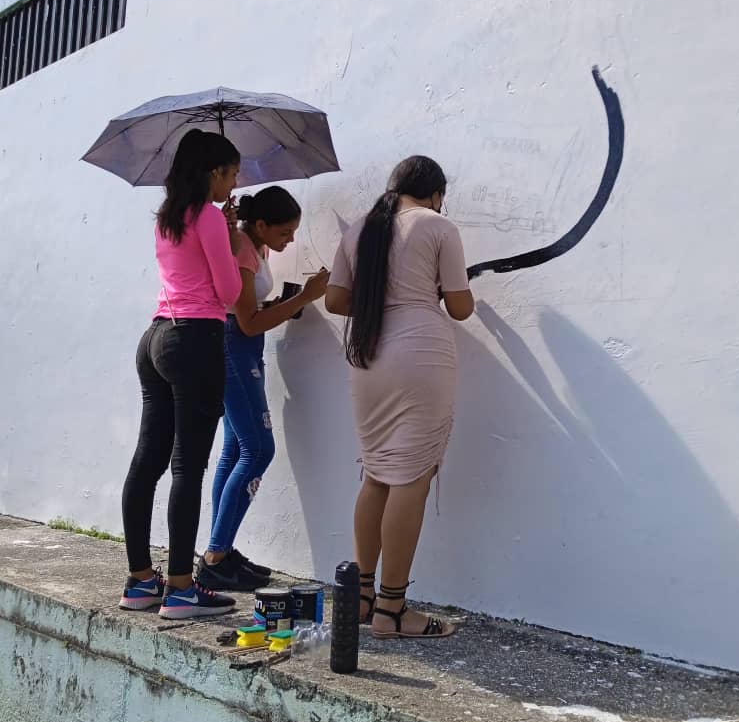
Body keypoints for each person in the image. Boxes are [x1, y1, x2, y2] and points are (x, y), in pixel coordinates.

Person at [325, 155, 474, 638]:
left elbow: (335, 300)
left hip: (368, 357)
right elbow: (461, 307)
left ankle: (364, 597)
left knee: (377, 474)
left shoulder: (361, 230)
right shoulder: (437, 226)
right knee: (412, 477)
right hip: (421, 355)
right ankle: (393, 610)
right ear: (434, 193)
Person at [119, 128, 243, 619]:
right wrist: (231, 238)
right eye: (231, 174)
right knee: (188, 468)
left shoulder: (167, 218)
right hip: (194, 339)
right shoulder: (211, 218)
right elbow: (230, 291)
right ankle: (182, 589)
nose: (232, 185)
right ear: (213, 172)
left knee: (147, 463)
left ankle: (140, 582)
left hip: (155, 339)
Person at [196, 187, 330, 591]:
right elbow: (249, 320)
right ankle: (216, 556)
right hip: (232, 348)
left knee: (237, 449)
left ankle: (221, 551)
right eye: (285, 232)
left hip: (244, 348)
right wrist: (304, 297)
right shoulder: (240, 250)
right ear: (261, 225)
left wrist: (281, 301)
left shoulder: (253, 246)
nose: (290, 240)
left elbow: (251, 310)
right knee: (259, 449)